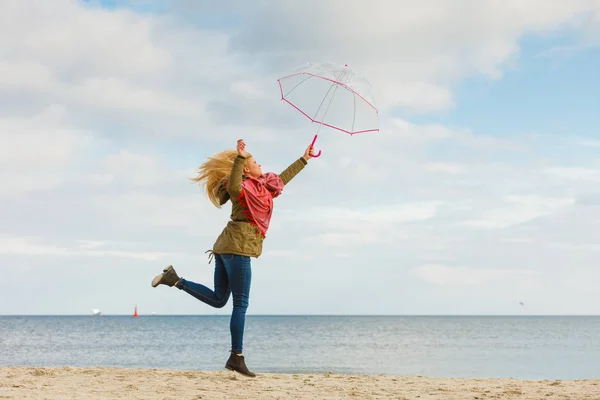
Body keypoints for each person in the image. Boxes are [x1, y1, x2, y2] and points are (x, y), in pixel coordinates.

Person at [151, 138, 315, 377]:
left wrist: (304, 159)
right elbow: (235, 188)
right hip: (237, 248)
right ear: (246, 169)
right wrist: (240, 157)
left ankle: (174, 279)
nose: (261, 165)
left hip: (225, 246)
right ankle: (236, 357)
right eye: (256, 162)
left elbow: (282, 179)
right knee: (240, 304)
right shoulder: (242, 187)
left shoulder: (262, 186)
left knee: (219, 300)